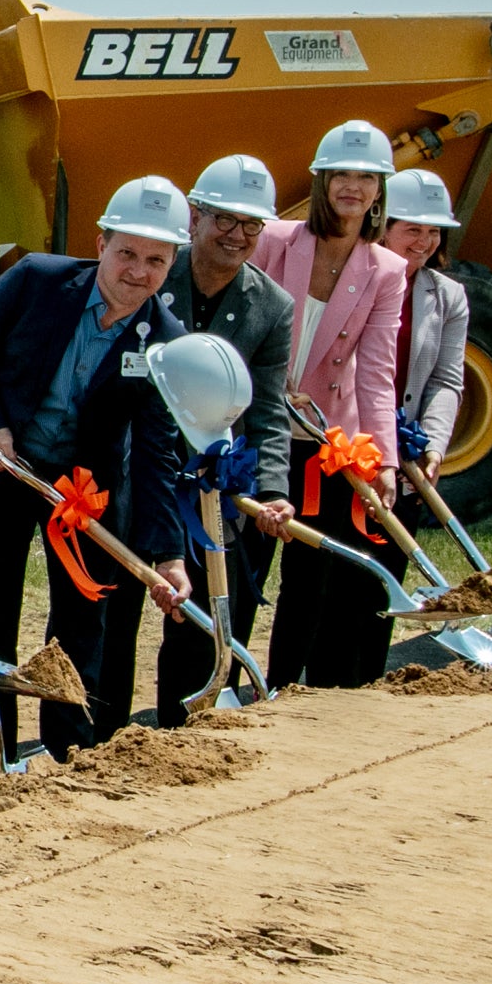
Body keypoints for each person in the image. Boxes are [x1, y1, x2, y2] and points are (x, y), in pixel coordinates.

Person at [0, 178, 200, 755]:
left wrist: (167, 556)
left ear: (172, 266)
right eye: (127, 253)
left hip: (82, 493)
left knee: (82, 624)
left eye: (156, 260)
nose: (138, 271)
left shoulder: (164, 342)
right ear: (101, 242)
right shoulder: (38, 280)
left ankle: (70, 753)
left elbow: (157, 450)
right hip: (5, 467)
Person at [250, 123, 410, 688]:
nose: (353, 186)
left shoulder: (387, 270)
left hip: (323, 443)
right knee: (246, 572)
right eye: (342, 173)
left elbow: (377, 371)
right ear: (322, 181)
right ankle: (223, 688)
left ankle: (285, 687)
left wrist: (384, 458)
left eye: (367, 177)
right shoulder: (274, 241)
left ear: (379, 191)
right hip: (256, 430)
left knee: (308, 577)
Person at [149, 154, 299, 723]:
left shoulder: (271, 307)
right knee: (109, 616)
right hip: (142, 469)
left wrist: (271, 488)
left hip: (213, 484)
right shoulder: (156, 272)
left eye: (252, 225)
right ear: (195, 216)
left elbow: (265, 409)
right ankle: (96, 742)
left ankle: (191, 729)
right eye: (224, 219)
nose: (237, 235)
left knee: (211, 613)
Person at [385, 167, 473, 485]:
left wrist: (433, 446)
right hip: (345, 448)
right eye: (413, 230)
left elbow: (445, 381)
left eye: (434, 231)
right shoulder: (348, 283)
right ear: (383, 227)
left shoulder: (449, 295)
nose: (425, 241)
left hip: (404, 453)